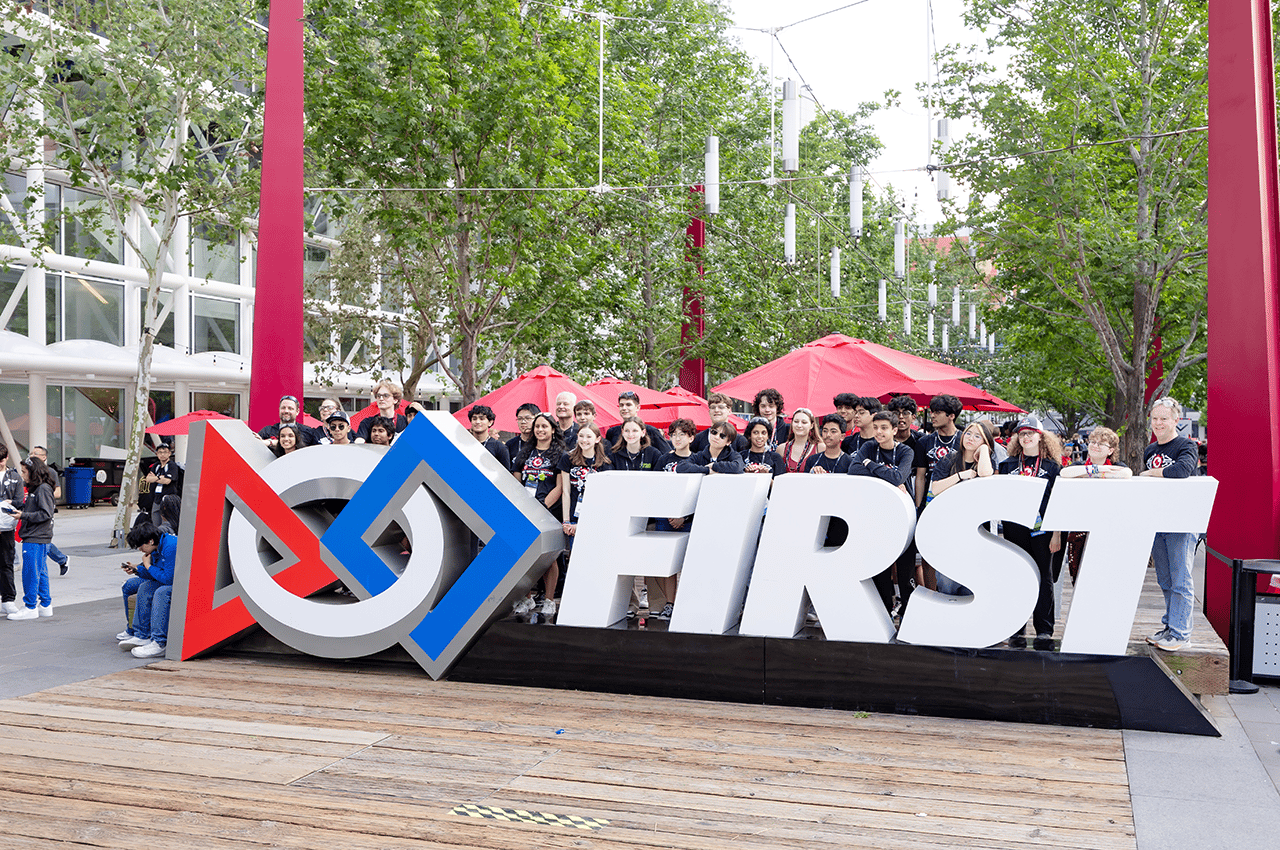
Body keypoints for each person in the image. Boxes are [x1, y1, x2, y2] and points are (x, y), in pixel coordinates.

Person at [1138, 397, 1200, 651]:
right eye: (1155, 418)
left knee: (1181, 579)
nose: (1158, 423)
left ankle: (1181, 633)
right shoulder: (1150, 450)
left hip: (1181, 522)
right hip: (1158, 521)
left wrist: (1151, 473)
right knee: (1165, 579)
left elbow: (1182, 470)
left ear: (1176, 420)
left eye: (1164, 418)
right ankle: (1170, 626)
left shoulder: (1186, 445)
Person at [997, 416, 1064, 649]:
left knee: (1044, 577)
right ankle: (1016, 628)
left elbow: (1059, 501)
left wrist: (1057, 533)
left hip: (1042, 530)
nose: (1026, 437)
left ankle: (1044, 629)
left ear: (1040, 436)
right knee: (1018, 576)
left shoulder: (1052, 466)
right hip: (1014, 528)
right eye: (1022, 434)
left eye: (1030, 433)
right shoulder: (1007, 465)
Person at [849, 411, 916, 613]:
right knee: (879, 568)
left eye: (884, 428)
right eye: (876, 427)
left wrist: (870, 465)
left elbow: (898, 477)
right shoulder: (869, 447)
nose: (878, 432)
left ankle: (907, 614)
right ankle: (884, 612)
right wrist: (887, 475)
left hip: (902, 516)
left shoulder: (905, 451)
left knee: (905, 571)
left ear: (894, 430)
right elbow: (853, 470)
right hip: (876, 516)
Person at [1059, 426, 1131, 584]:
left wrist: (1093, 471)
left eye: (1101, 444)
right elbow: (1064, 473)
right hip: (1080, 529)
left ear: (1111, 450)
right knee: (1078, 577)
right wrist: (1099, 469)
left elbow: (1126, 474)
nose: (1095, 446)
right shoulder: (1078, 466)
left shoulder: (1118, 466)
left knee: (1105, 577)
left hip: (1108, 528)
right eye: (1093, 442)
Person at [511, 413, 565, 618]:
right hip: (525, 512)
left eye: (544, 426)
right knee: (525, 556)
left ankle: (549, 601)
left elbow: (560, 486)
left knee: (548, 558)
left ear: (553, 429)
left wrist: (542, 507)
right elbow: (516, 483)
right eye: (537, 426)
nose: (540, 430)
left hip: (547, 513)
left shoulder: (560, 454)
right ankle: (527, 597)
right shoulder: (524, 453)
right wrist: (525, 507)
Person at [4, 456, 56, 620]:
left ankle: (30, 606)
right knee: (40, 571)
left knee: (30, 572)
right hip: (38, 536)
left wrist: (23, 515)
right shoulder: (38, 488)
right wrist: (17, 506)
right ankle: (45, 604)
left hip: (35, 536)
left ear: (34, 472)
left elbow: (45, 514)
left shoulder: (42, 489)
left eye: (24, 472)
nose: (22, 475)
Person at [118, 521, 178, 658]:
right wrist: (138, 570)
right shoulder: (156, 547)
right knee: (145, 587)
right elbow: (156, 574)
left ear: (150, 541)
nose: (140, 549)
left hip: (185, 582)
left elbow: (168, 579)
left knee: (161, 592)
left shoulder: (170, 546)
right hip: (173, 579)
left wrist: (148, 566)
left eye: (140, 545)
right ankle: (142, 634)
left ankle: (160, 642)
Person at [558, 422, 611, 538]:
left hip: (594, 519)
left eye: (589, 436)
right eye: (581, 436)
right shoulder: (567, 458)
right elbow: (566, 491)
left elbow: (603, 498)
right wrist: (566, 521)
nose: (584, 440)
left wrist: (584, 524)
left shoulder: (605, 464)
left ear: (597, 439)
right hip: (572, 518)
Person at [913, 394, 963, 508]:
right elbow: (920, 477)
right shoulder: (924, 442)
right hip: (930, 498)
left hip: (956, 498)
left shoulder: (964, 440)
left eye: (938, 412)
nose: (932, 416)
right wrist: (919, 506)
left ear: (951, 416)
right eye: (932, 412)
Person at [28, 446, 69, 576]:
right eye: (31, 453)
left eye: (35, 454)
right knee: (37, 539)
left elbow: (58, 493)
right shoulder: (29, 471)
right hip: (30, 510)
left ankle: (60, 560)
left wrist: (43, 494)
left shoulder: (50, 472)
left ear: (44, 457)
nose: (31, 456)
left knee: (41, 540)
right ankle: (61, 559)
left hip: (45, 510)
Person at [606, 392, 670, 453]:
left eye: (628, 405)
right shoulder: (612, 432)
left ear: (637, 407)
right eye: (621, 405)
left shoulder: (651, 431)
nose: (624, 408)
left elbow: (667, 454)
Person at [0, 445, 22, 614]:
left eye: (1, 460)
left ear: (6, 457)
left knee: (6, 563)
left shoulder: (14, 477)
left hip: (6, 527)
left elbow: (20, 501)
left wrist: (11, 503)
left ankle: (8, 599)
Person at [677, 421, 745, 474]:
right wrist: (706, 470)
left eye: (722, 436)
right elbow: (681, 466)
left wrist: (714, 465)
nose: (716, 437)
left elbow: (738, 467)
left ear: (728, 442)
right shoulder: (700, 455)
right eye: (714, 432)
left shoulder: (733, 455)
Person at [145, 442, 183, 527]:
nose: (162, 454)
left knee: (166, 524)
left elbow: (167, 481)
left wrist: (155, 478)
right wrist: (159, 477)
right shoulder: (156, 466)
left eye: (165, 452)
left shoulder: (172, 465)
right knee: (155, 523)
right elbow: (148, 479)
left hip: (168, 499)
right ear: (157, 454)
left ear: (169, 453)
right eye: (160, 452)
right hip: (156, 499)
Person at [778, 407, 820, 474]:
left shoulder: (819, 448)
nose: (799, 425)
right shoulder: (781, 448)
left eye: (804, 422)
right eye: (796, 422)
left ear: (811, 425)